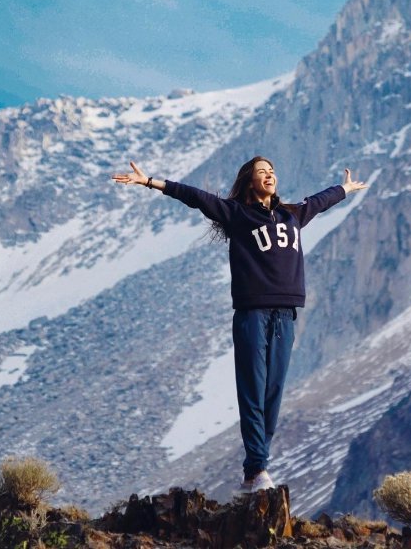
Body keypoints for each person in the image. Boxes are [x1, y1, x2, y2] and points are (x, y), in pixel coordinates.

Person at [112, 156, 367, 493]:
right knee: (253, 389)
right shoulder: (237, 214)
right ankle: (258, 468)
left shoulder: (293, 213)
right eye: (262, 172)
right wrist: (149, 182)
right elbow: (194, 196)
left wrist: (344, 189)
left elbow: (319, 202)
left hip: (285, 315)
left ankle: (253, 471)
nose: (270, 175)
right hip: (252, 314)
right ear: (250, 181)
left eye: (273, 171)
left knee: (273, 394)